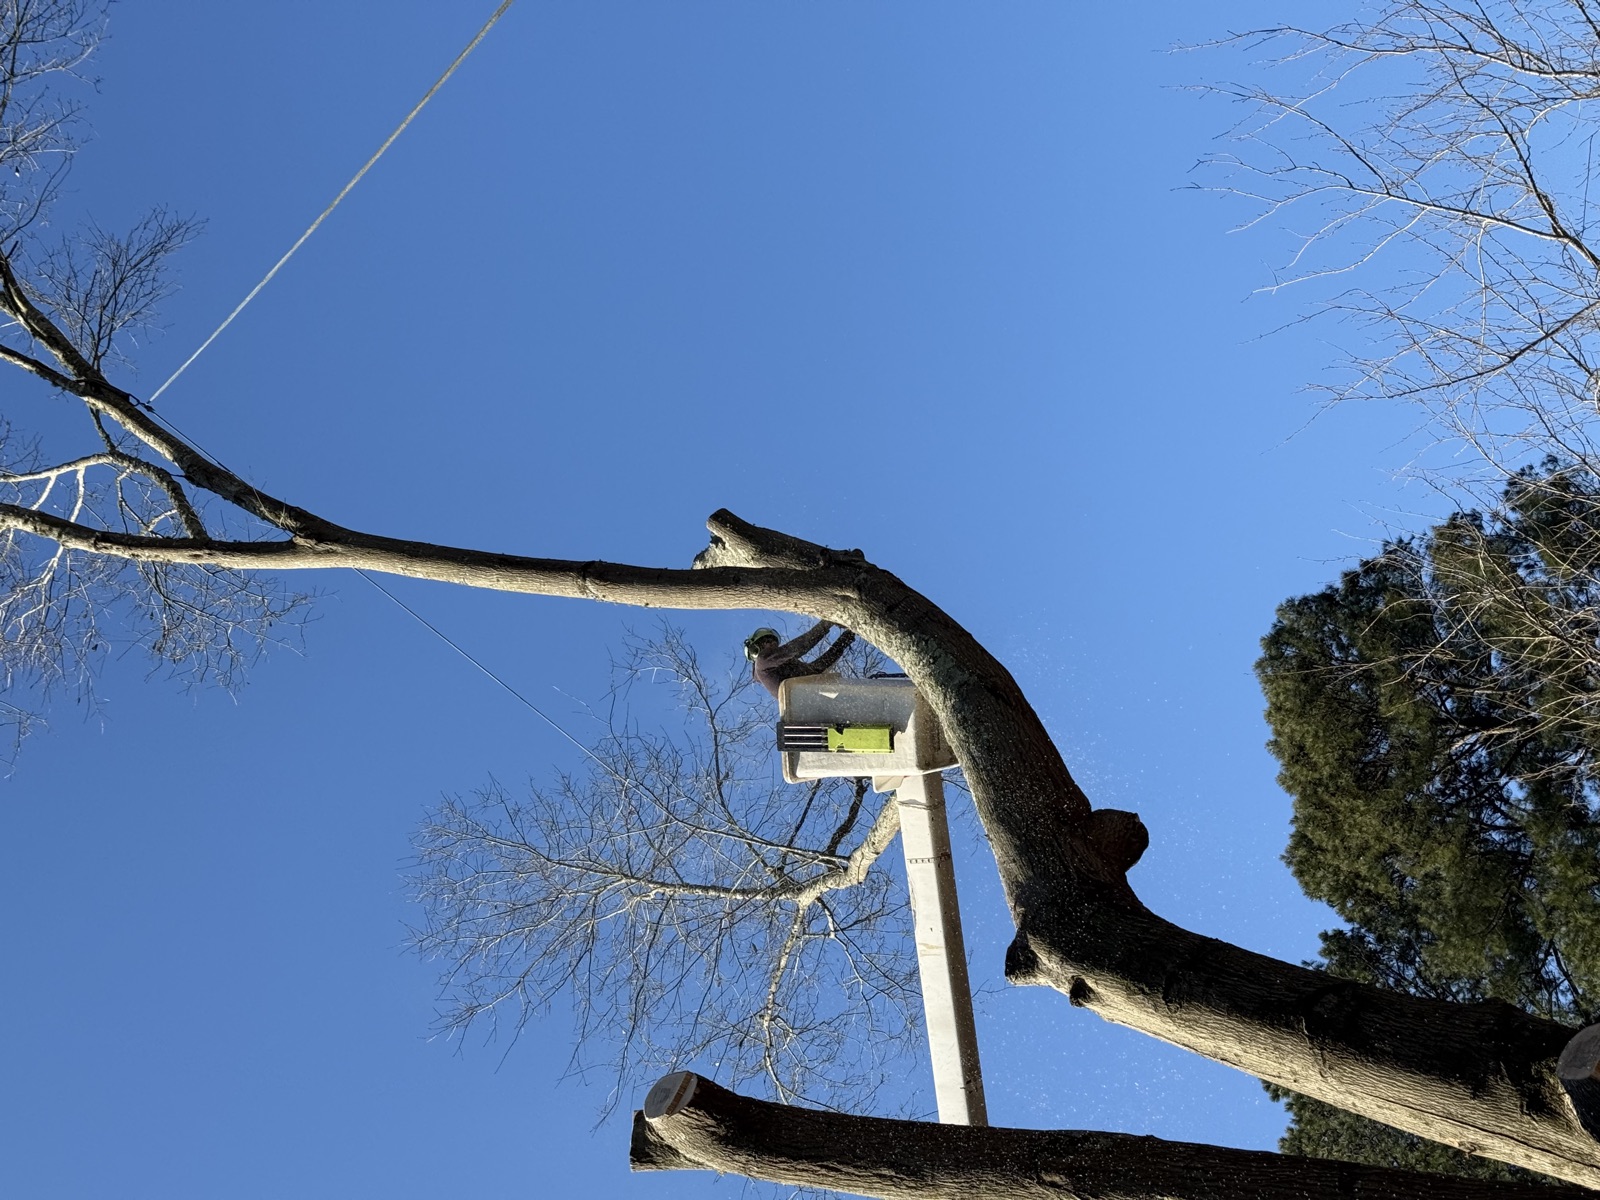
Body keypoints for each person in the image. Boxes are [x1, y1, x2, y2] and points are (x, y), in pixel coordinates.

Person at [743, 620, 856, 698]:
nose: (772, 644)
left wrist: (847, 637)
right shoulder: (762, 662)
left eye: (773, 641)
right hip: (807, 703)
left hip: (813, 698)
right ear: (755, 650)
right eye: (767, 641)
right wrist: (827, 622)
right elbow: (800, 646)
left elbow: (818, 668)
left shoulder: (782, 670)